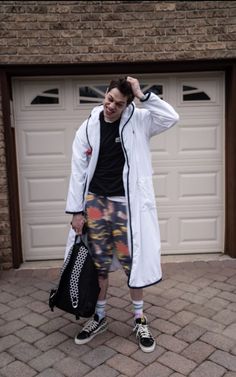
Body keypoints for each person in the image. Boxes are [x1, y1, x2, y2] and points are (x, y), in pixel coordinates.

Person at [65, 76, 179, 353]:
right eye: (109, 99)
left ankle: (139, 319)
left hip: (126, 205)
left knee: (133, 264)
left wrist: (143, 95)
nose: (111, 106)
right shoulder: (89, 124)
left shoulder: (139, 120)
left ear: (128, 104)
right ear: (104, 95)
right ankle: (100, 317)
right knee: (99, 264)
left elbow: (171, 118)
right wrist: (76, 210)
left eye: (119, 103)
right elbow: (78, 168)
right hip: (95, 203)